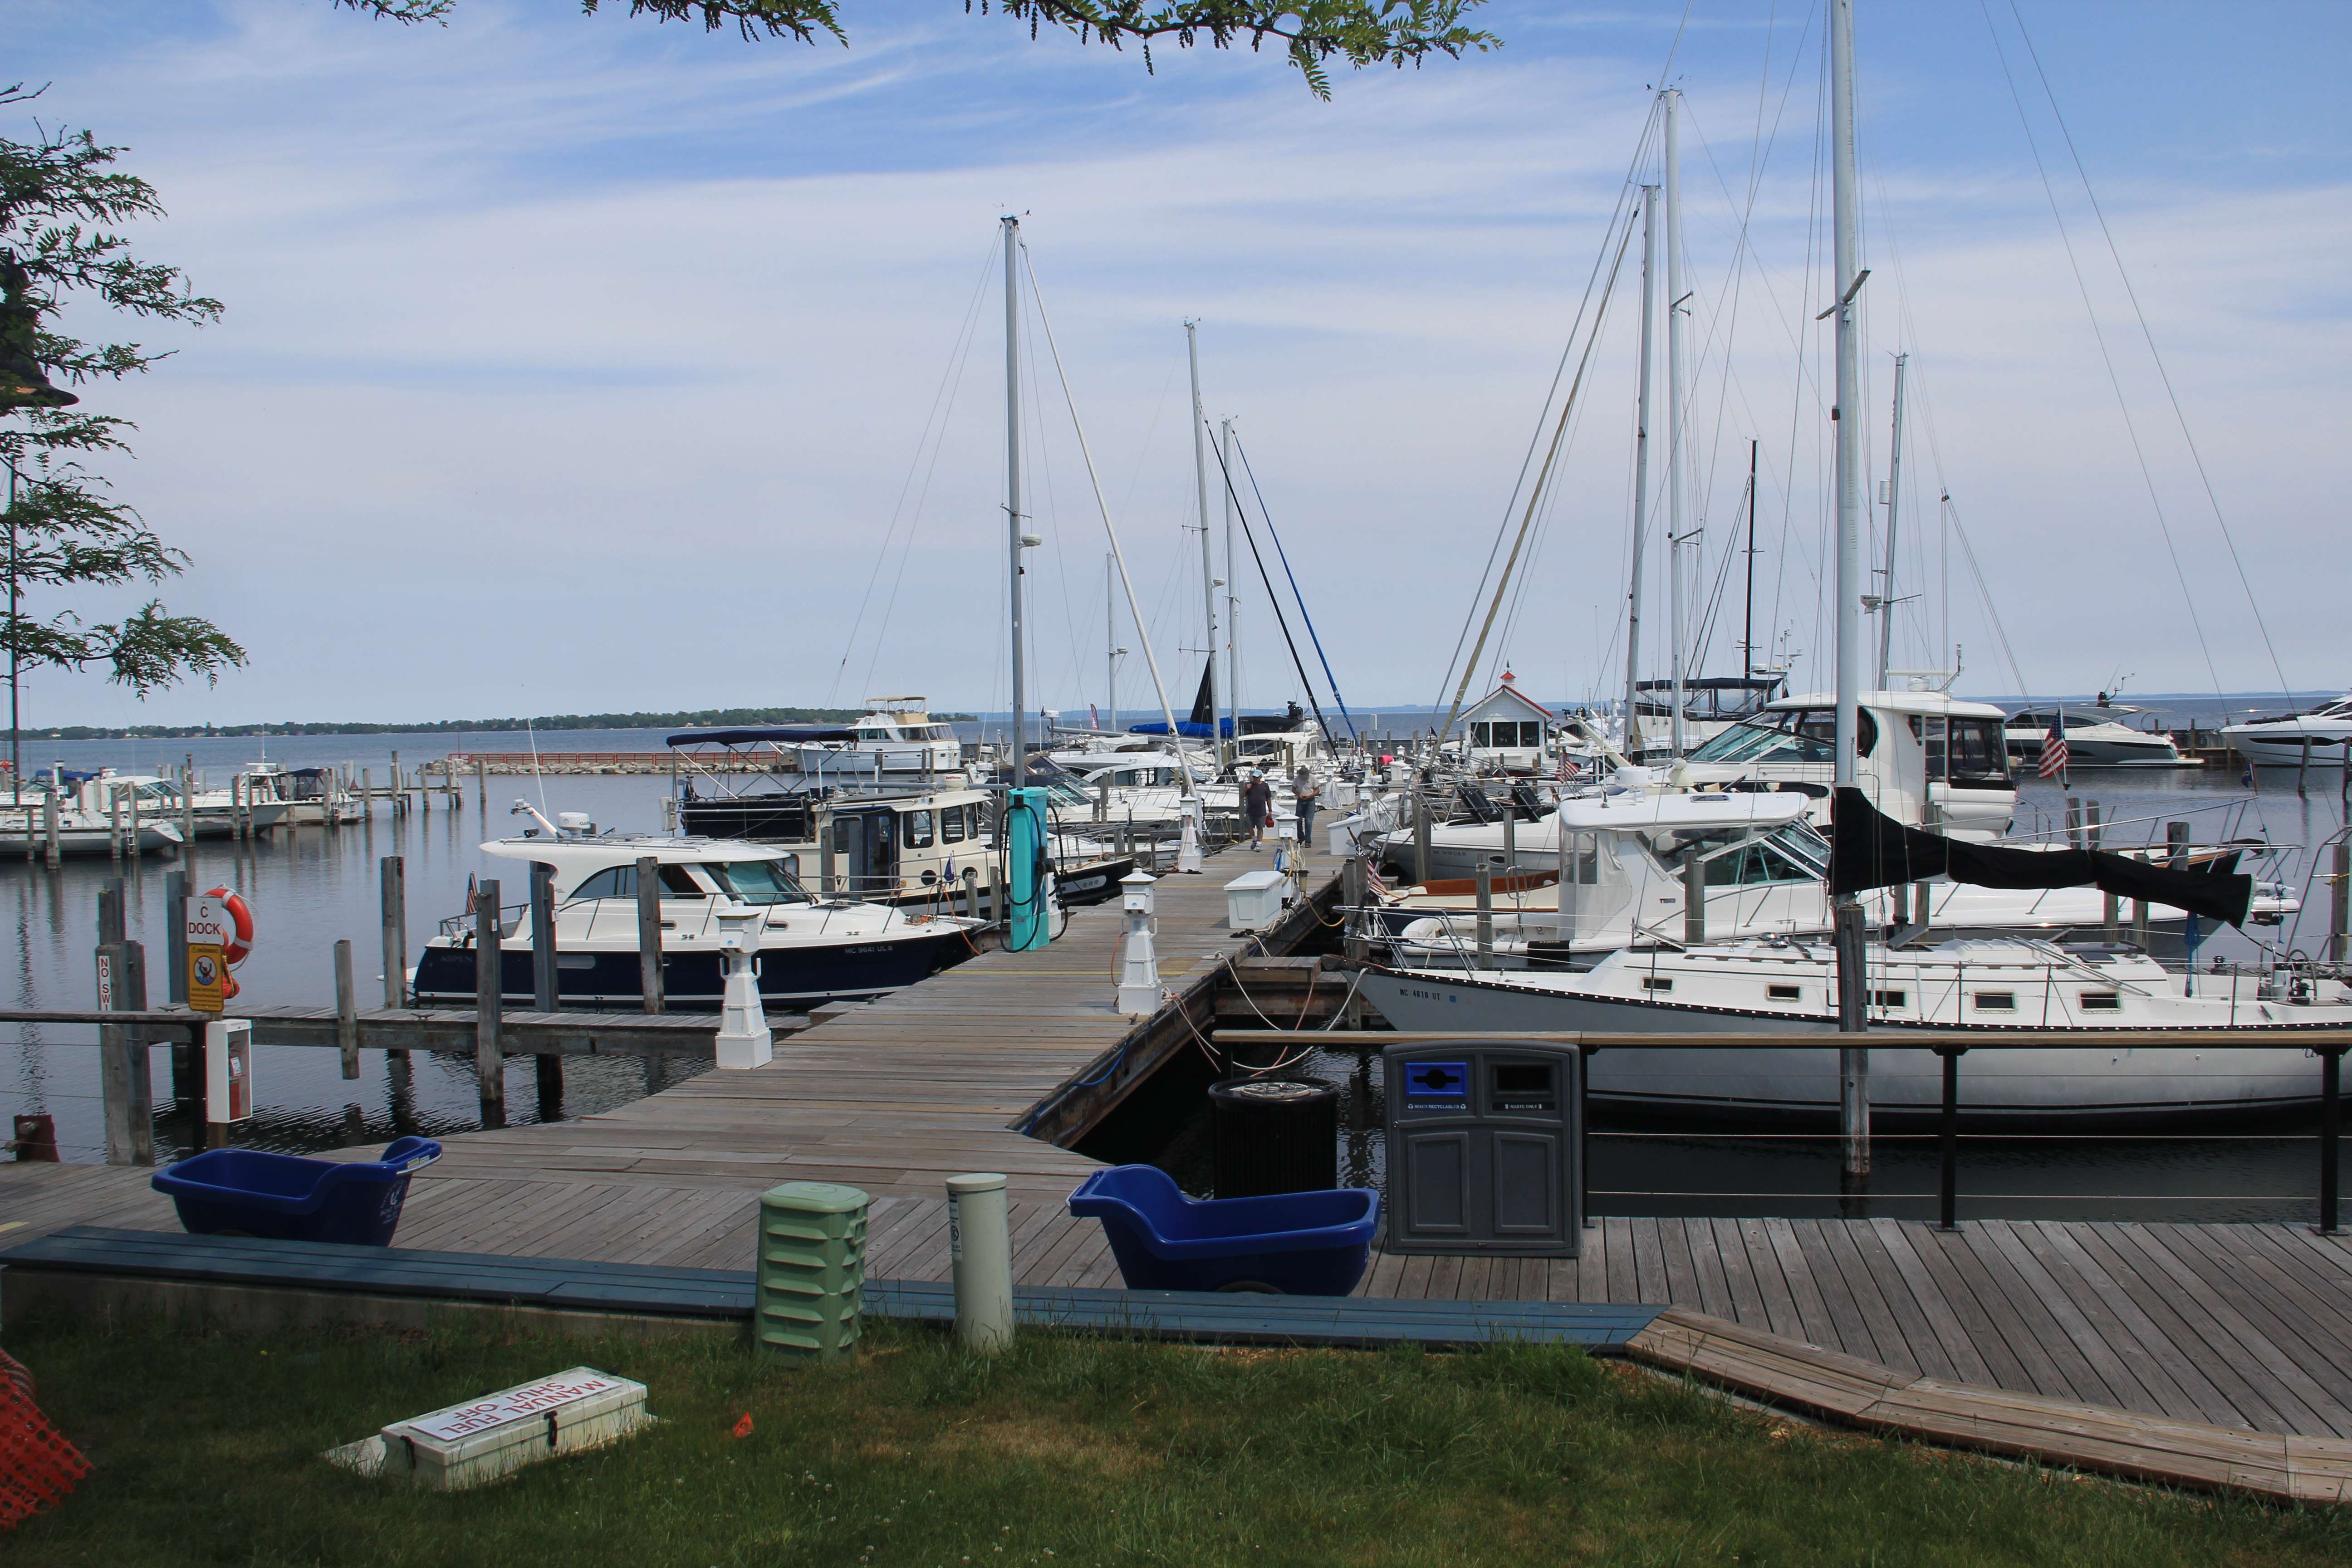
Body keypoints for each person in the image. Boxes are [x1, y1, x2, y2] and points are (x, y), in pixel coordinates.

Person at [1241, 769, 1274, 850]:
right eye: (1254, 777)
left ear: (1261, 777)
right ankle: (1254, 839)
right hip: (1250, 810)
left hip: (1261, 810)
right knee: (1248, 826)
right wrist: (1246, 789)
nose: (1255, 779)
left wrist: (1270, 810)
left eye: (1257, 777)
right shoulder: (1249, 785)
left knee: (1260, 827)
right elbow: (1241, 796)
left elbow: (1268, 799)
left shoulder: (1265, 786)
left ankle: (1259, 844)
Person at [1292, 765, 1320, 845]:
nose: (1303, 779)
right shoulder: (1297, 778)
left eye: (1305, 777)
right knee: (1299, 820)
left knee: (1308, 822)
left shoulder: (1313, 778)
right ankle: (1301, 837)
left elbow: (1317, 790)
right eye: (1302, 777)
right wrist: (1299, 794)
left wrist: (1309, 796)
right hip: (1301, 801)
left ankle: (1308, 841)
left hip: (1310, 801)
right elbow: (1294, 789)